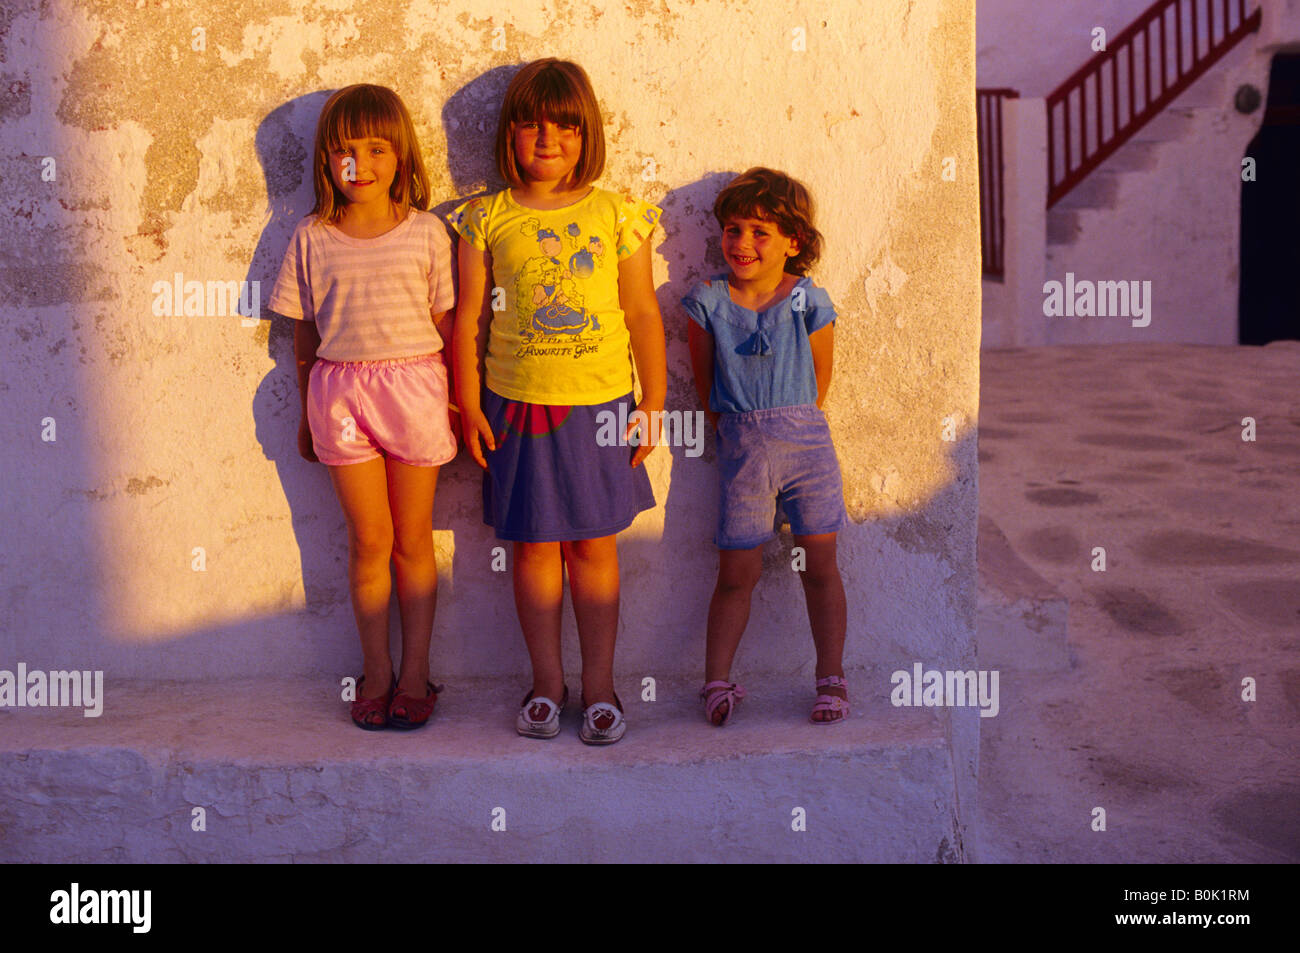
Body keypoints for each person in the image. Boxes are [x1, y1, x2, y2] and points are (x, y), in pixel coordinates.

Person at [448, 59, 666, 745]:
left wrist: (653, 400)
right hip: (515, 407)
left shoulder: (616, 215)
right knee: (535, 550)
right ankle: (547, 683)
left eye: (566, 126)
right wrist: (466, 402)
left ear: (586, 133)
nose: (549, 139)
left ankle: (600, 686)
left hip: (601, 407)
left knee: (593, 550)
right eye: (532, 125)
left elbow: (641, 310)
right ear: (510, 134)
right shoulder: (485, 219)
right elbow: (468, 320)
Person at [270, 84, 457, 731]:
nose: (360, 163)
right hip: (339, 395)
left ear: (400, 155)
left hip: (415, 391)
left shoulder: (428, 233)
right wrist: (303, 411)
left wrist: (459, 400)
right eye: (345, 151)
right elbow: (303, 333)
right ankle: (375, 668)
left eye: (376, 148)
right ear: (327, 161)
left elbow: (448, 320)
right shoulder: (311, 237)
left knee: (412, 541)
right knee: (369, 541)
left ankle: (415, 672)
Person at [683, 167, 850, 726]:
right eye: (733, 229)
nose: (742, 243)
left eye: (760, 231)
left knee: (819, 565)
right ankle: (716, 680)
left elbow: (820, 380)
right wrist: (738, 431)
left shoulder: (806, 299)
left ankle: (831, 677)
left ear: (792, 242)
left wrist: (786, 422)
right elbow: (705, 383)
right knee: (737, 572)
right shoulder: (708, 301)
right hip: (742, 453)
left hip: (808, 449)